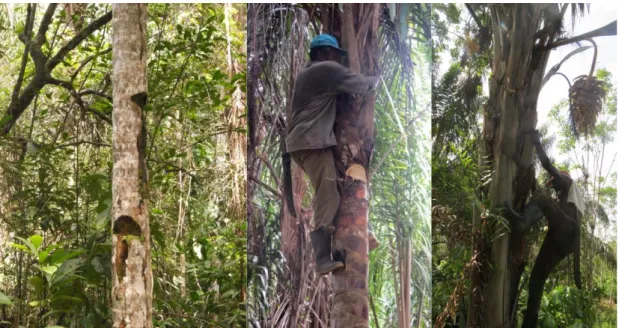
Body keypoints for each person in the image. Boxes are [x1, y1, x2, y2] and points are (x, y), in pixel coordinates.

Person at [285, 34, 379, 275]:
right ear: (324, 53)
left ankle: (362, 230)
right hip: (310, 142)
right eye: (336, 54)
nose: (339, 59)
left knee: (339, 182)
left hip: (309, 141)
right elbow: (360, 84)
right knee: (328, 194)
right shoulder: (325, 69)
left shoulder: (314, 72)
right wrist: (375, 79)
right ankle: (321, 258)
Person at [503, 130, 584, 327]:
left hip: (567, 229)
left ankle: (522, 222)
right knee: (536, 279)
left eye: (552, 182)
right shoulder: (563, 199)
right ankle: (529, 325)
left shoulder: (567, 181)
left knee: (541, 198)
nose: (552, 185)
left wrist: (537, 143)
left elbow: (547, 165)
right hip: (562, 241)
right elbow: (543, 202)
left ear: (561, 178)